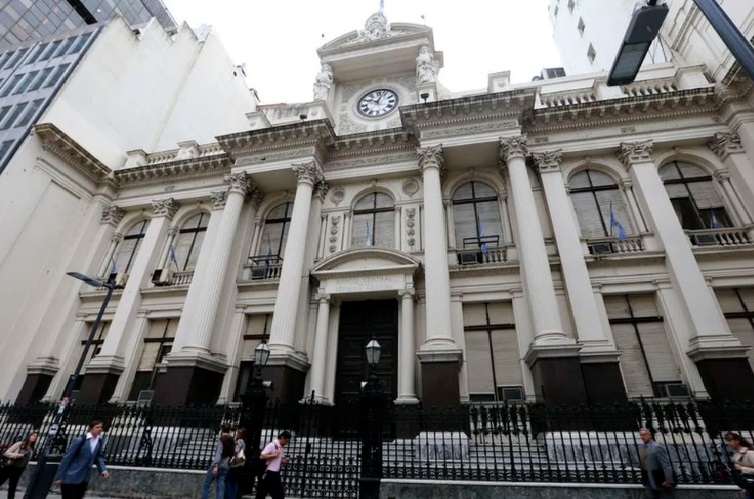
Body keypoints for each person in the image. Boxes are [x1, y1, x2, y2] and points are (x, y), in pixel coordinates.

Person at [55, 419, 109, 499]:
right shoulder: (80, 440)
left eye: (101, 427)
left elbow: (98, 457)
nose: (100, 429)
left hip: (84, 478)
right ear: (91, 428)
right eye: (97, 427)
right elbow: (67, 458)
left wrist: (103, 470)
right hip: (70, 477)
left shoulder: (99, 441)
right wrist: (59, 477)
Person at [638, 428, 675, 498]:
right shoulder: (642, 447)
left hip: (658, 478)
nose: (642, 437)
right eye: (641, 435)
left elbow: (665, 464)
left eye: (644, 435)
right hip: (648, 478)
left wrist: (669, 480)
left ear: (650, 435)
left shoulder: (657, 447)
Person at [0, 431, 37, 498]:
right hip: (10, 466)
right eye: (33, 435)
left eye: (36, 436)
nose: (34, 437)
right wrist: (19, 455)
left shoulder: (32, 449)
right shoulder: (20, 444)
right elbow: (6, 453)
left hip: (19, 469)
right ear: (29, 436)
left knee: (13, 487)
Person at [255, 431, 291, 499]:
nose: (286, 443)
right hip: (268, 473)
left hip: (275, 473)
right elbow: (262, 456)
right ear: (282, 437)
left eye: (287, 441)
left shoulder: (281, 447)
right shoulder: (272, 445)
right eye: (286, 441)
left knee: (279, 495)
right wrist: (273, 455)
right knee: (262, 493)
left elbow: (276, 461)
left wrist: (283, 461)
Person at [202, 433, 235, 499]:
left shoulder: (222, 441)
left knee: (206, 484)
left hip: (217, 466)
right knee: (220, 487)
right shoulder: (231, 442)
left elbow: (218, 454)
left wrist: (216, 465)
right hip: (225, 466)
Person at [725, 432, 754, 498]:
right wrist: (745, 488)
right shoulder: (736, 455)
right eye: (727, 441)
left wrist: (741, 468)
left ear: (737, 441)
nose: (728, 443)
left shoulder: (749, 453)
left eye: (730, 441)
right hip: (750, 488)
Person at [224, 427, 247, 499]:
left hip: (235, 464)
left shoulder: (239, 441)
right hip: (240, 463)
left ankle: (229, 496)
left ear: (241, 434)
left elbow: (236, 451)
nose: (236, 434)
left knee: (228, 480)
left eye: (238, 433)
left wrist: (232, 446)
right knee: (234, 481)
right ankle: (233, 496)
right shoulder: (243, 442)